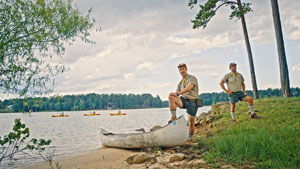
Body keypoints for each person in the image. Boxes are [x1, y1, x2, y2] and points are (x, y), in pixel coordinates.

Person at [168, 63, 199, 142]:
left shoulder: (192, 78)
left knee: (191, 122)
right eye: (180, 69)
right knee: (171, 96)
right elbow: (176, 94)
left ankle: (190, 139)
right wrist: (175, 95)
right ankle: (173, 117)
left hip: (192, 101)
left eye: (183, 69)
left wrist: (178, 93)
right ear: (179, 71)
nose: (182, 71)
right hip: (184, 100)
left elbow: (189, 88)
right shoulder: (180, 83)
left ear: (186, 69)